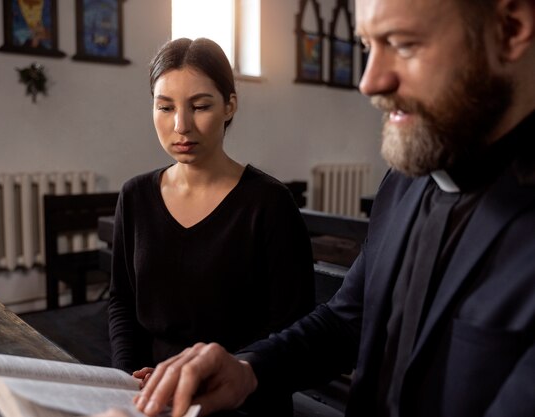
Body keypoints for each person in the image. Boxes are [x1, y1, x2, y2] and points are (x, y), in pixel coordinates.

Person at [132, 0, 535, 416]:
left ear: (509, 27)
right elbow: (348, 322)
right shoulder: (404, 181)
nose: (369, 82)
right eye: (367, 46)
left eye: (402, 43)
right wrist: (246, 368)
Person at [107, 38, 315, 413]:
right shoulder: (135, 195)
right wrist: (127, 377)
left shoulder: (268, 203)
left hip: (241, 395)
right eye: (165, 107)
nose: (181, 125)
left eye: (200, 106)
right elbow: (122, 300)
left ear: (229, 106)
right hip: (154, 392)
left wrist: (224, 376)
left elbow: (290, 325)